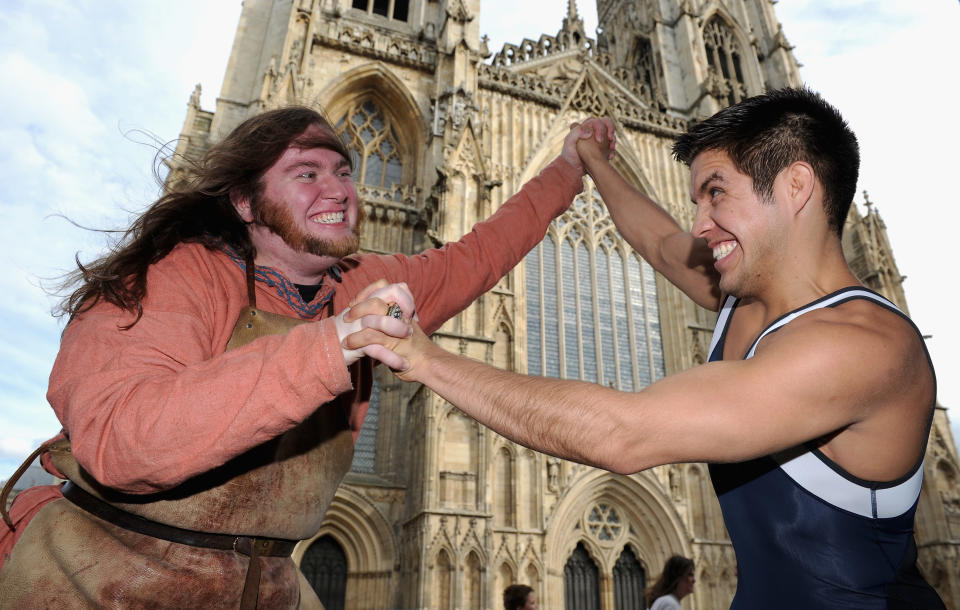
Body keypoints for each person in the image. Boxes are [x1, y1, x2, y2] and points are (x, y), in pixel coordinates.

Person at [350, 88, 946, 608]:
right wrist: (594, 164)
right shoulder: (753, 300)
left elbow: (623, 434)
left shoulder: (859, 348)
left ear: (795, 186)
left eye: (716, 194)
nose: (700, 223)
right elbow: (662, 245)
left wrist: (425, 358)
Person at [0, 105, 613, 608]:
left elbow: (481, 254)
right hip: (96, 575)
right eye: (306, 173)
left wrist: (566, 167)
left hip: (261, 582)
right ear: (246, 203)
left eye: (343, 172)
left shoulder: (358, 281)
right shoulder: (173, 275)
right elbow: (121, 441)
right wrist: (334, 343)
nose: (339, 190)